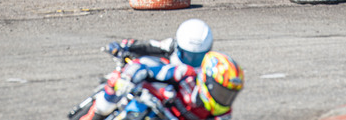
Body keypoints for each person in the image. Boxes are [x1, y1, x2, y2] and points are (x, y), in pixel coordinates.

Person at [81, 19, 214, 120]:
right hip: (154, 80)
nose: (191, 60)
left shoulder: (211, 68)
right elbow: (149, 46)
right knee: (115, 84)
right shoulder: (171, 45)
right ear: (178, 46)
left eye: (199, 57)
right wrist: (126, 47)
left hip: (173, 101)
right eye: (187, 54)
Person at [116, 51, 244, 120]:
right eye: (221, 92)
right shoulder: (184, 74)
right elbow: (147, 70)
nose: (224, 98)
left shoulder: (223, 114)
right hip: (147, 106)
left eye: (229, 95)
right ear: (207, 81)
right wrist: (129, 80)